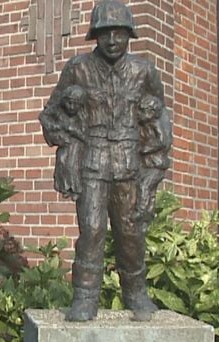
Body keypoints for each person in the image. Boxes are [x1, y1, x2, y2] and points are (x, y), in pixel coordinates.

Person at [39, 0, 170, 321]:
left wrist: (154, 168)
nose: (112, 40)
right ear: (95, 35)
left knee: (130, 231)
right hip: (92, 165)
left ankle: (136, 294)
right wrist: (69, 141)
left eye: (119, 33)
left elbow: (159, 121)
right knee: (93, 229)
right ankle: (85, 297)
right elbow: (50, 115)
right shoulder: (77, 68)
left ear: (129, 35)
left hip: (129, 167)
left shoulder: (144, 72)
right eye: (104, 33)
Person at [40, 85, 86, 201]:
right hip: (65, 145)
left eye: (76, 104)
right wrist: (54, 126)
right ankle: (65, 186)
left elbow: (84, 135)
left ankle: (74, 188)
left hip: (76, 147)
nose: (71, 107)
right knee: (62, 160)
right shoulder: (58, 110)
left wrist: (72, 130)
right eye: (69, 103)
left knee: (73, 165)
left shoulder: (82, 116)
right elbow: (43, 116)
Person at [133, 94, 172, 223]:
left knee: (144, 185)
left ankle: (141, 211)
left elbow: (163, 141)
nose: (139, 114)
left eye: (143, 111)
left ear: (151, 112)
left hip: (157, 164)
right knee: (151, 190)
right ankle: (149, 212)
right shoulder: (144, 126)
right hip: (149, 163)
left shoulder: (156, 124)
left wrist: (145, 148)